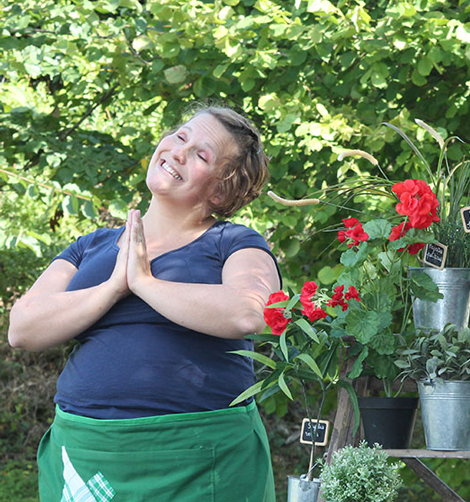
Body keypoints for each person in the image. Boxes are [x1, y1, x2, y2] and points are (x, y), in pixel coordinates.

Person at [9, 106, 281, 501]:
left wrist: (145, 282)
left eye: (201, 155)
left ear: (220, 191)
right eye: (181, 136)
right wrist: (113, 288)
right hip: (85, 456)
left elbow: (250, 311)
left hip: (199, 460)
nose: (179, 152)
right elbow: (22, 327)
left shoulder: (236, 243)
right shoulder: (91, 245)